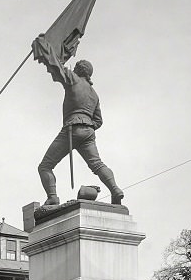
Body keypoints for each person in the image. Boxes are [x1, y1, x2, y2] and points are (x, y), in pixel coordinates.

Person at [32, 34, 124, 206]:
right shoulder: (94, 94)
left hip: (71, 129)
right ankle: (115, 189)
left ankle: (52, 197)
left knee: (45, 166)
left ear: (78, 70)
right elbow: (99, 120)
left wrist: (44, 46)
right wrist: (87, 125)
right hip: (88, 133)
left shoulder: (73, 80)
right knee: (97, 164)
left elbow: (56, 65)